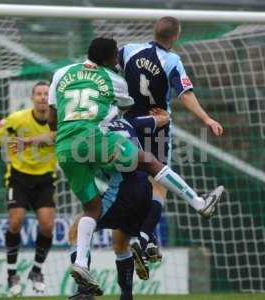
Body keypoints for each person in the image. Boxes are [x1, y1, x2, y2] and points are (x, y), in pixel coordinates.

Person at [48, 37, 224, 295]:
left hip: (64, 148)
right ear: (110, 59)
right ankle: (193, 206)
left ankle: (84, 263)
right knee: (149, 161)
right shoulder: (116, 86)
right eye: (115, 59)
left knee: (90, 211)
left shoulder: (61, 73)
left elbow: (52, 122)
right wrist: (160, 119)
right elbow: (130, 113)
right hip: (96, 142)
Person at [118, 16, 224, 254]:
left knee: (136, 181)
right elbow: (185, 94)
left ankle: (148, 237)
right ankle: (146, 237)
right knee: (158, 184)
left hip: (131, 122)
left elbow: (110, 70)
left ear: (154, 32)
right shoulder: (172, 60)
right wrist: (207, 119)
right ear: (175, 36)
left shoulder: (128, 50)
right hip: (158, 125)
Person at [0, 81, 56, 296]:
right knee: (15, 222)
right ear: (33, 98)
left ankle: (36, 271)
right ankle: (11, 273)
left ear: (51, 99)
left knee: (47, 226)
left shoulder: (57, 122)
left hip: (45, 179)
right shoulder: (18, 119)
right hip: (19, 178)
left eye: (46, 94)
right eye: (39, 94)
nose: (43, 97)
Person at [67, 111, 169, 300]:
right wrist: (163, 114)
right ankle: (127, 293)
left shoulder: (95, 132)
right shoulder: (130, 122)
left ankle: (85, 291)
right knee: (120, 242)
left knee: (76, 230)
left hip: (122, 191)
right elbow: (163, 119)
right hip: (143, 188)